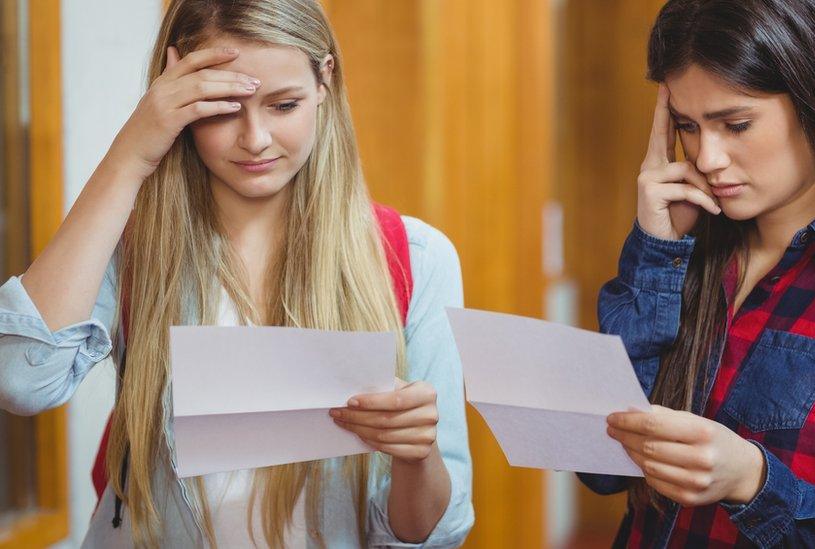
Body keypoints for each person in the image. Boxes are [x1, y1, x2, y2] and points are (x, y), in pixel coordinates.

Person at [0, 0, 472, 546]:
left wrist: (416, 455)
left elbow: (437, 533)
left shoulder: (415, 255)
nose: (255, 139)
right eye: (223, 109)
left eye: (283, 105)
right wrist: (130, 153)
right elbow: (23, 380)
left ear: (326, 81)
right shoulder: (131, 247)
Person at [580, 0, 815, 546]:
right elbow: (601, 471)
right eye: (687, 126)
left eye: (735, 124)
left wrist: (752, 480)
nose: (708, 157)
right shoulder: (679, 254)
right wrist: (654, 250)